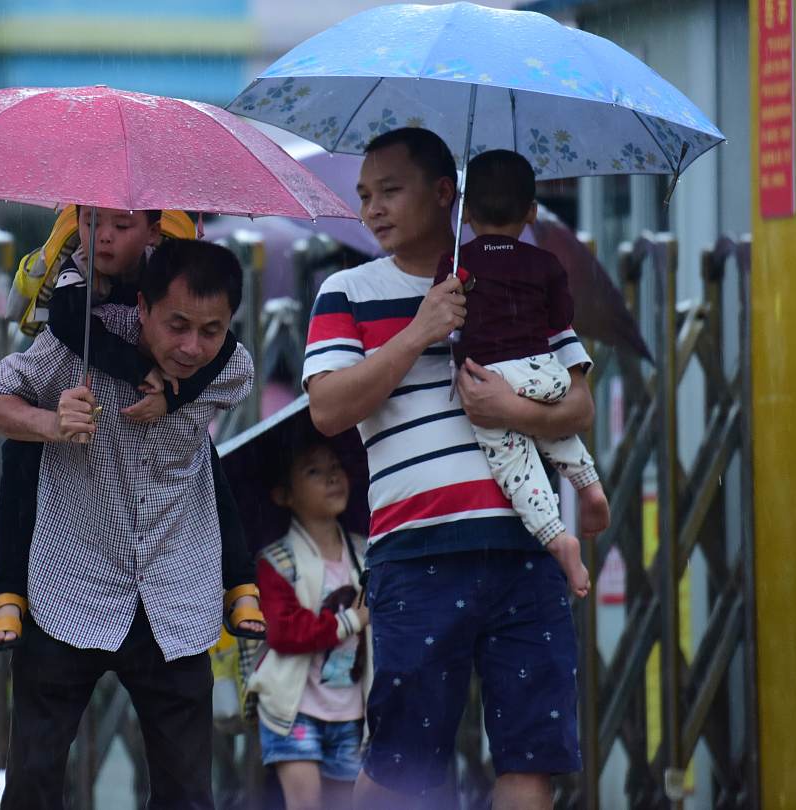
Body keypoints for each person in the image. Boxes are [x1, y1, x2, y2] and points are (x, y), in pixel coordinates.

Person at [303, 128, 610, 810]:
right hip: (416, 553)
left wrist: (514, 410)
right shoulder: (347, 290)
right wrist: (420, 328)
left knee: (532, 756)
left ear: (446, 194)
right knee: (404, 763)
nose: (372, 209)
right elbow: (327, 409)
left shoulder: (521, 274)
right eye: (363, 196)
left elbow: (580, 402)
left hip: (525, 548)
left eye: (389, 191)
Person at [0, 238, 253, 810]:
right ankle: (6, 592)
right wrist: (50, 421)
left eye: (211, 330)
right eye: (177, 325)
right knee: (32, 781)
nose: (192, 346)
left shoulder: (231, 363)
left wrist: (173, 393)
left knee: (188, 794)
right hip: (70, 584)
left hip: (175, 597)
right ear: (143, 308)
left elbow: (233, 373)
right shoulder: (73, 344)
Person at [0, 206, 264, 653]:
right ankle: (10, 589)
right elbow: (70, 323)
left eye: (120, 226)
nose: (104, 238)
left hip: (165, 390)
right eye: (91, 223)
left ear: (152, 231)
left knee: (204, 464)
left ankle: (240, 582)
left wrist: (174, 396)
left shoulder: (172, 264)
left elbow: (223, 347)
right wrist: (139, 370)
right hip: (66, 365)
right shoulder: (76, 265)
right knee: (20, 454)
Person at [432, 149, 610, 598]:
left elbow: (445, 319)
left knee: (514, 461)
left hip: (489, 376)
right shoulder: (545, 262)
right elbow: (561, 314)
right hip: (546, 372)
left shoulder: (456, 263)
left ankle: (557, 538)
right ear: (532, 211)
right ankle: (588, 486)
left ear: (466, 212)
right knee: (546, 422)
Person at [246, 426, 370, 810]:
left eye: (335, 466)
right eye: (313, 472)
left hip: (352, 713)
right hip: (293, 710)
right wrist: (350, 621)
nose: (332, 476)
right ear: (284, 495)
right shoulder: (276, 563)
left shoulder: (367, 554)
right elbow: (284, 631)